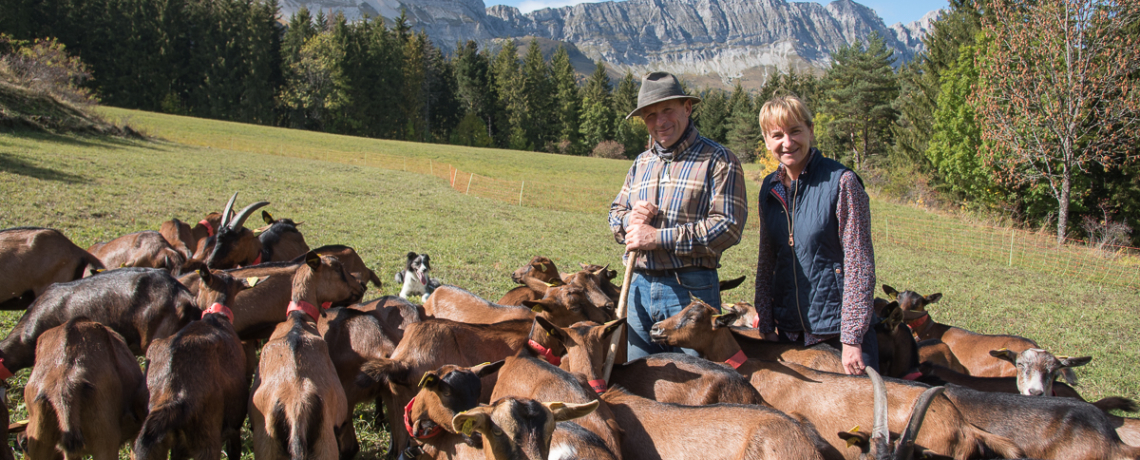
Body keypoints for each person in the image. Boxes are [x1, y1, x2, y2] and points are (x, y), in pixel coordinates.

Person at [609, 72, 748, 360]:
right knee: (642, 379)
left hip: (689, 291)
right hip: (637, 286)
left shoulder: (719, 160)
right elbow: (615, 212)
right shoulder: (641, 163)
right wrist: (629, 220)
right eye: (650, 115)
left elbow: (728, 226)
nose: (660, 122)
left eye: (667, 110)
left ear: (687, 108)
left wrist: (658, 237)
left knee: (697, 385)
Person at [752, 95, 879, 376]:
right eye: (777, 135)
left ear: (810, 130)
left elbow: (860, 264)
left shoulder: (841, 182)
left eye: (795, 131)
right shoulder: (769, 189)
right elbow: (767, 259)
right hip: (790, 334)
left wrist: (852, 338)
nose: (787, 143)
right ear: (766, 140)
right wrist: (766, 319)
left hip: (837, 333)